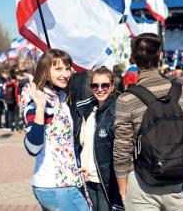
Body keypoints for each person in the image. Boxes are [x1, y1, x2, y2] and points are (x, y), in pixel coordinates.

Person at [113, 33, 183, 210]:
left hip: (141, 181)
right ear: (161, 56)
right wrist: (173, 161)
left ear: (133, 59)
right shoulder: (182, 93)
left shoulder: (126, 99)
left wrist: (122, 187)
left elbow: (122, 148)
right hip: (175, 179)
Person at [22, 49, 90, 210]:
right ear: (45, 71)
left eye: (67, 68)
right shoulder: (36, 101)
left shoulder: (60, 99)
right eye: (58, 69)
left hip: (66, 183)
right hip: (56, 186)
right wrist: (40, 109)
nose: (65, 73)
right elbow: (32, 147)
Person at [74, 66, 124, 210]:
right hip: (86, 179)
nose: (100, 89)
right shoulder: (86, 110)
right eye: (95, 85)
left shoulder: (117, 112)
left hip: (105, 182)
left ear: (112, 86)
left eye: (105, 85)